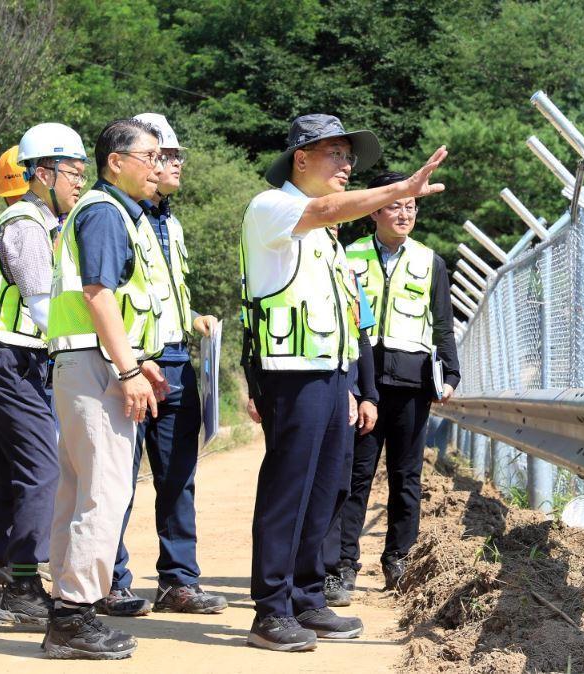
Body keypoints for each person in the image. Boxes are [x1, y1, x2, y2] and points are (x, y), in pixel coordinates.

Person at [240, 112, 446, 652]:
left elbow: (346, 315)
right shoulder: (274, 208)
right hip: (291, 375)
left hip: (330, 376)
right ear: (300, 159)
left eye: (349, 156)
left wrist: (358, 386)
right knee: (290, 488)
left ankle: (308, 597)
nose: (348, 163)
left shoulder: (327, 235)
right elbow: (325, 208)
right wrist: (399, 189)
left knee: (328, 489)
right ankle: (271, 609)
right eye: (336, 153)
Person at [43, 118, 170, 660]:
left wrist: (137, 359)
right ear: (115, 161)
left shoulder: (107, 212)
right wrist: (127, 370)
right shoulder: (105, 212)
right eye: (150, 156)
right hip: (96, 370)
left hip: (85, 365)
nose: (159, 167)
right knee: (105, 491)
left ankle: (66, 611)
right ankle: (75, 617)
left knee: (78, 490)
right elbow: (98, 295)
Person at [96, 113, 226, 617]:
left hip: (175, 360)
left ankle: (178, 581)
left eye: (171, 156)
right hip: (131, 364)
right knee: (118, 479)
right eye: (163, 155)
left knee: (179, 475)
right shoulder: (119, 216)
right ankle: (111, 579)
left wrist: (193, 318)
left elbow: (156, 294)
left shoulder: (169, 221)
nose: (172, 164)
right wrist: (129, 364)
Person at [325, 171, 460, 606]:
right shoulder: (349, 256)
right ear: (375, 211)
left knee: (406, 476)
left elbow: (442, 322)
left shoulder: (429, 261)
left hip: (412, 382)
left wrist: (450, 374)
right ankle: (343, 565)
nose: (404, 214)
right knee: (355, 476)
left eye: (410, 207)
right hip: (364, 381)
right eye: (395, 205)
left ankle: (398, 558)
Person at [0, 124, 88, 627]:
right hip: (12, 357)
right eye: (72, 171)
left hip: (12, 357)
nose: (80, 181)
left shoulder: (41, 222)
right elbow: (42, 305)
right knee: (41, 469)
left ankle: (3, 580)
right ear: (41, 173)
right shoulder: (26, 224)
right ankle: (24, 586)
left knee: (7, 473)